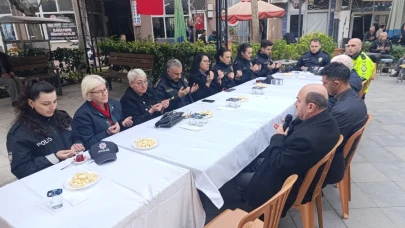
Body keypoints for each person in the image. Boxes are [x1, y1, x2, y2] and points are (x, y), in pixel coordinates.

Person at [234, 84, 340, 216]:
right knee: (251, 162)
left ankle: (256, 212)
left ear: (311, 107)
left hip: (285, 182)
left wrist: (278, 137)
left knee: (237, 178)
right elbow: (301, 136)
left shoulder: (306, 139)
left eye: (299, 100)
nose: (296, 103)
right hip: (296, 164)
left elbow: (279, 164)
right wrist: (290, 129)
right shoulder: (328, 121)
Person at [7, 79, 85, 179]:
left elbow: (76, 135)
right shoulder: (19, 133)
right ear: (31, 103)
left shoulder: (62, 117)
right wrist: (54, 157)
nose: (52, 107)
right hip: (47, 178)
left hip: (75, 171)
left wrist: (77, 144)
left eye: (55, 101)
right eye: (46, 104)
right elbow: (21, 169)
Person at [320, 63, 368, 185]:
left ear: (337, 84)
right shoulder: (352, 96)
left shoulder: (343, 110)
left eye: (325, 83)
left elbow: (326, 143)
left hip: (332, 163)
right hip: (340, 151)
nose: (323, 86)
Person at [72, 75, 133, 149]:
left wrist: (123, 124)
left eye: (105, 89)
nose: (104, 94)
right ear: (89, 95)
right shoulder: (82, 115)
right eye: (99, 92)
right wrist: (107, 133)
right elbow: (87, 144)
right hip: (102, 151)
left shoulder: (115, 104)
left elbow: (119, 125)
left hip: (121, 144)